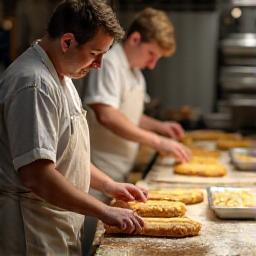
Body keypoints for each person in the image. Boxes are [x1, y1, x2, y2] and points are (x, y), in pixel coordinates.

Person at [0, 1, 147, 255]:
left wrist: (108, 185)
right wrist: (104, 210)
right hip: (33, 227)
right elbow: (38, 175)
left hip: (56, 220)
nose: (99, 64)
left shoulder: (62, 77)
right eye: (94, 53)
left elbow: (65, 153)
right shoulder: (34, 84)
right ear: (67, 42)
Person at [84, 7, 191, 183]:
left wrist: (160, 126)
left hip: (120, 169)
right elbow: (107, 115)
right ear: (135, 39)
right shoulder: (109, 63)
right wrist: (157, 141)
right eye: (151, 54)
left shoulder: (136, 73)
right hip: (98, 171)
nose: (152, 65)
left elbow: (129, 116)